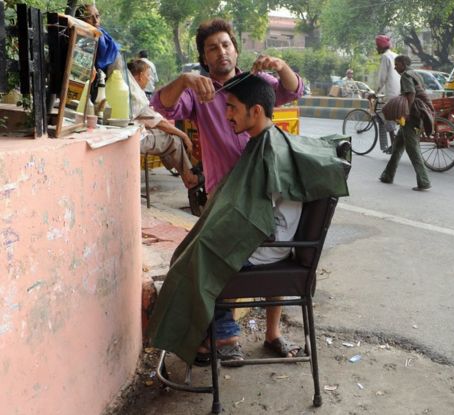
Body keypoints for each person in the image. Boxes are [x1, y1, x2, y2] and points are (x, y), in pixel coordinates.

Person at [146, 73, 349, 366]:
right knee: (189, 252)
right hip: (267, 236)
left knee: (197, 259)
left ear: (255, 111)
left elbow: (255, 214)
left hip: (270, 245)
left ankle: (211, 337)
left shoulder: (269, 149)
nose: (226, 114)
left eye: (232, 108)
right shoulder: (263, 141)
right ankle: (199, 336)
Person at [150, 18, 304, 361]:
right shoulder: (199, 92)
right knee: (207, 253)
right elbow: (162, 106)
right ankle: (222, 335)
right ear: (204, 58)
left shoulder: (255, 83)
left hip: (262, 187)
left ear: (235, 48)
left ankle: (265, 333)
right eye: (212, 48)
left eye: (225, 44)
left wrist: (281, 65)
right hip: (225, 194)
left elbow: (293, 89)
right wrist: (186, 79)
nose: (221, 52)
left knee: (215, 255)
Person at [127, 60, 198, 189]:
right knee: (174, 140)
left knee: (166, 134)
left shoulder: (127, 86)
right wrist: (184, 136)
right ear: (140, 75)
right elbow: (159, 122)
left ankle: (180, 169)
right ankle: (190, 179)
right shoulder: (134, 93)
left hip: (133, 133)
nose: (148, 79)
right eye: (148, 75)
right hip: (135, 139)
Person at [379, 55, 431, 192]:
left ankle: (424, 181)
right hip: (416, 113)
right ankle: (387, 176)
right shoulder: (415, 73)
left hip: (412, 116)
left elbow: (411, 95)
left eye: (397, 65)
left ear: (403, 64)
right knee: (397, 147)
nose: (395, 68)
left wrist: (405, 113)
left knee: (412, 149)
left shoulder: (406, 76)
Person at [374, 35, 401, 154]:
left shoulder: (385, 57)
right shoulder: (395, 55)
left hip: (391, 93)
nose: (376, 49)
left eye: (377, 46)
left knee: (384, 114)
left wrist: (375, 92)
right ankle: (393, 143)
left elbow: (382, 78)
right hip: (400, 92)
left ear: (380, 46)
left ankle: (394, 144)